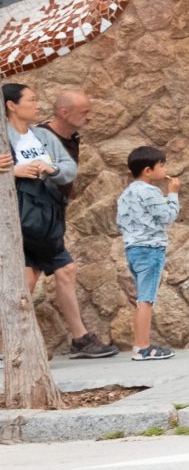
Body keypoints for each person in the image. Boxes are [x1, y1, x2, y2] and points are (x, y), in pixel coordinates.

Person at [6, 82, 112, 358]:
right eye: (31, 100)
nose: (37, 104)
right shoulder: (6, 136)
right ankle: (17, 343)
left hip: (47, 217)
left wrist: (50, 168)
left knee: (45, 276)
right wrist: (15, 171)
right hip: (20, 219)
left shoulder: (43, 136)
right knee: (42, 275)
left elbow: (67, 170)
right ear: (11, 106)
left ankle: (76, 339)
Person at [116, 145, 181, 361]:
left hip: (132, 249)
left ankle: (140, 345)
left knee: (142, 297)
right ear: (148, 170)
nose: (165, 170)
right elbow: (167, 217)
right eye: (161, 166)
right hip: (150, 249)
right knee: (146, 299)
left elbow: (120, 222)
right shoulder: (151, 192)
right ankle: (142, 347)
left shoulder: (126, 194)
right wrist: (172, 195)